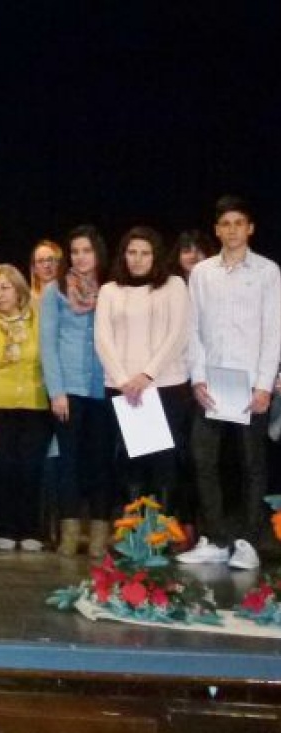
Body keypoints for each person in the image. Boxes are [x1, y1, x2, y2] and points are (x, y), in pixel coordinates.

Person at [179, 196, 280, 569]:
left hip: (250, 380)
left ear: (250, 228)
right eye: (226, 224)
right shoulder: (203, 272)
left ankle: (248, 541)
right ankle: (217, 538)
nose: (233, 230)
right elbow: (194, 329)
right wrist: (198, 378)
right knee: (204, 459)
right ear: (217, 230)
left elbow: (273, 331)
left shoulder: (267, 271)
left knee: (251, 462)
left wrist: (264, 384)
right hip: (213, 379)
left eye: (240, 223)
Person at [94, 226, 191, 555]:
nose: (137, 259)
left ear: (156, 255)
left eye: (145, 253)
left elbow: (178, 334)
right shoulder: (109, 290)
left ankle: (160, 535)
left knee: (163, 462)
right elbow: (103, 339)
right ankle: (133, 535)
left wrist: (147, 375)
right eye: (131, 252)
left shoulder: (173, 285)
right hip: (122, 388)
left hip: (165, 386)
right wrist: (125, 380)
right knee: (130, 462)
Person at [40, 225, 114, 556]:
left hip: (105, 386)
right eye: (75, 252)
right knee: (67, 462)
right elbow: (48, 343)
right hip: (68, 387)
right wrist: (56, 391)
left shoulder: (112, 289)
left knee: (100, 462)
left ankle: (99, 533)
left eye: (86, 250)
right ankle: (69, 534)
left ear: (98, 252)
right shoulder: (54, 291)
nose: (80, 257)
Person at [0, 264, 51, 551]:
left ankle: (31, 529)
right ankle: (7, 527)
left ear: (19, 290)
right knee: (2, 469)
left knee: (30, 468)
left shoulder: (38, 323)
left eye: (5, 288)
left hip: (35, 406)